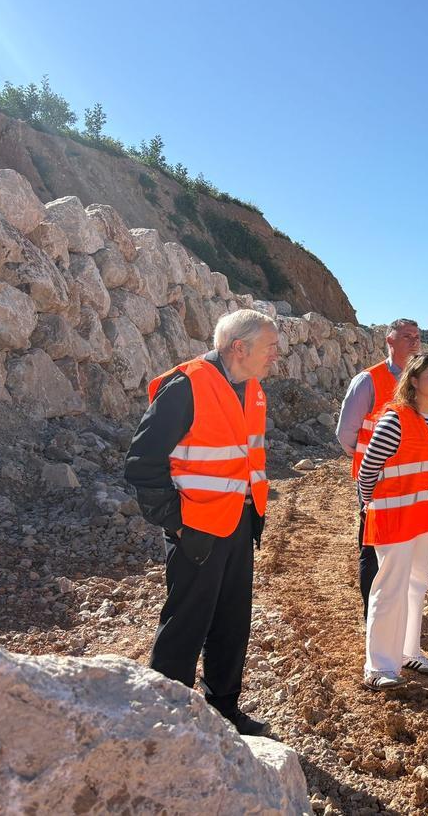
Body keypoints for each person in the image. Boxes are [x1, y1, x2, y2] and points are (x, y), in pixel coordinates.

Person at [124, 309, 279, 736]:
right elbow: (142, 463)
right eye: (271, 347)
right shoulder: (186, 385)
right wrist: (176, 525)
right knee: (186, 623)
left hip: (239, 524)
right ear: (239, 347)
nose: (276, 356)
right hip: (196, 530)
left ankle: (223, 711)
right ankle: (164, 720)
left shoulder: (253, 389)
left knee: (232, 621)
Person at [358, 353, 428, 689]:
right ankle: (378, 668)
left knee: (417, 586)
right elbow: (368, 469)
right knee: (390, 588)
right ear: (413, 380)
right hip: (395, 516)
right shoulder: (395, 418)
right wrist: (369, 504)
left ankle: (408, 652)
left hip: (422, 517)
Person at [335, 318, 422, 619]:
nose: (414, 342)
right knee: (372, 549)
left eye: (417, 337)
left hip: (413, 484)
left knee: (406, 549)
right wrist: (367, 462)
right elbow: (346, 434)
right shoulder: (369, 381)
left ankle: (397, 609)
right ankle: (372, 614)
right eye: (407, 336)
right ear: (389, 341)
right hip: (377, 484)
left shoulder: (422, 383)